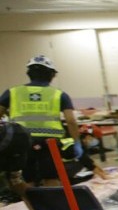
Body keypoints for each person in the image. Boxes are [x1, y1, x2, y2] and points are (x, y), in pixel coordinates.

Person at [0, 55, 83, 186]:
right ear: (52, 75)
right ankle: (52, 206)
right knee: (51, 178)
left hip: (22, 143)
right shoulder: (60, 94)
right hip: (50, 143)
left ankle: (32, 206)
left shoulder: (12, 92)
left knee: (28, 180)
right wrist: (77, 142)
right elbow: (71, 121)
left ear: (29, 73)